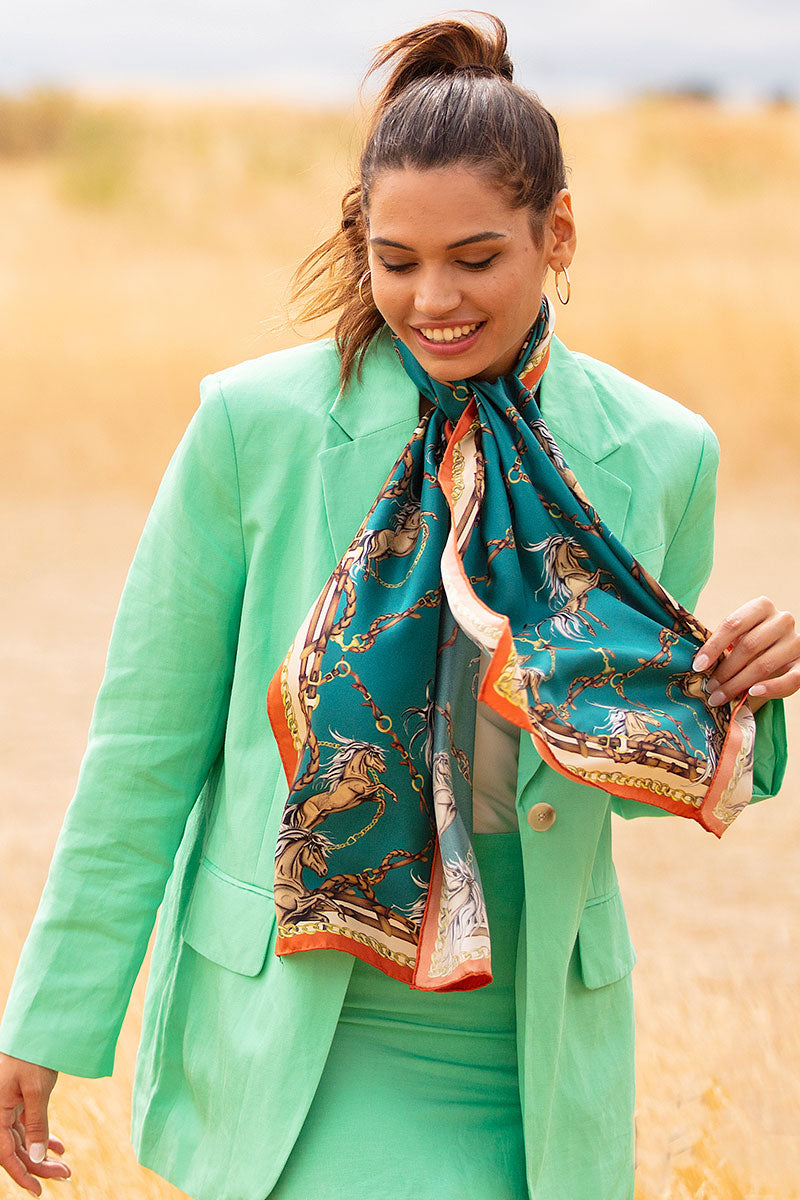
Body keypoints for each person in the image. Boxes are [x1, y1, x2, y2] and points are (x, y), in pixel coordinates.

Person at [0, 13, 796, 1200]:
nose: (432, 301)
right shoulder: (254, 430)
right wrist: (49, 1018)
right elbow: (145, 747)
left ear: (556, 233)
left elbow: (615, 778)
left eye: (474, 259)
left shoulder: (658, 454)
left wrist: (739, 692)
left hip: (528, 1032)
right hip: (306, 1025)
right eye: (397, 260)